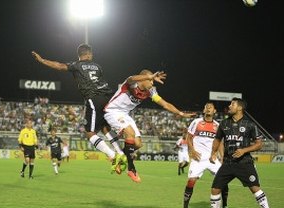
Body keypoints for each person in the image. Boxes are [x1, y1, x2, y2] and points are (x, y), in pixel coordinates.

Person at [32, 44, 126, 173]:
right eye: (91, 54)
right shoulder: (98, 66)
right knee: (105, 127)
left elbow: (59, 66)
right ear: (88, 54)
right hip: (108, 98)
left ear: (80, 55)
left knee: (89, 133)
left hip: (94, 98)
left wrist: (42, 60)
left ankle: (113, 155)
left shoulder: (77, 65)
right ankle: (120, 151)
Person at [104, 69, 195, 183]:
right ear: (143, 79)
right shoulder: (132, 84)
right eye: (150, 81)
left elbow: (165, 104)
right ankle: (131, 169)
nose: (152, 83)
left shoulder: (151, 91)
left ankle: (119, 158)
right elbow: (131, 78)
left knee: (138, 144)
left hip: (125, 114)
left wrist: (180, 113)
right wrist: (150, 76)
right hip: (113, 111)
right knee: (130, 133)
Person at [209, 98, 276, 208]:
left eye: (232, 104)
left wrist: (244, 150)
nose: (229, 106)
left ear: (239, 108)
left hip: (244, 163)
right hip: (228, 163)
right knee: (215, 190)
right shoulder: (224, 123)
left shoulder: (250, 124)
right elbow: (217, 139)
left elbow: (259, 144)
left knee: (256, 189)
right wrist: (213, 152)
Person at [181, 101, 230, 208]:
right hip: (198, 158)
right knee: (191, 181)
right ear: (203, 110)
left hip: (212, 158)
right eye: (206, 107)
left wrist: (222, 157)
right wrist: (192, 151)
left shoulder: (218, 126)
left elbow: (220, 143)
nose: (208, 108)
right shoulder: (196, 122)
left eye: (210, 107)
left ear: (214, 111)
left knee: (223, 181)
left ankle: (225, 206)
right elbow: (189, 138)